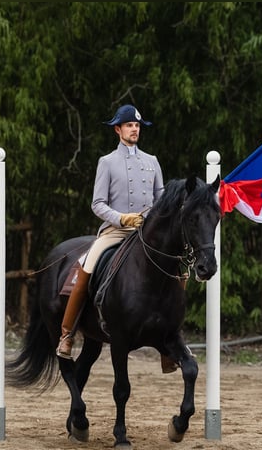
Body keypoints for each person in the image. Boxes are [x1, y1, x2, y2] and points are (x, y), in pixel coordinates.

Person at [56, 104, 177, 373]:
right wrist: (122, 218)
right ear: (118, 130)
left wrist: (157, 222)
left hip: (148, 233)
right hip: (116, 230)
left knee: (176, 270)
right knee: (88, 264)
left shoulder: (152, 161)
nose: (135, 129)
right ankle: (67, 333)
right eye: (130, 125)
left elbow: (162, 200)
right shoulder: (107, 162)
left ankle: (170, 341)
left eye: (137, 126)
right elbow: (97, 204)